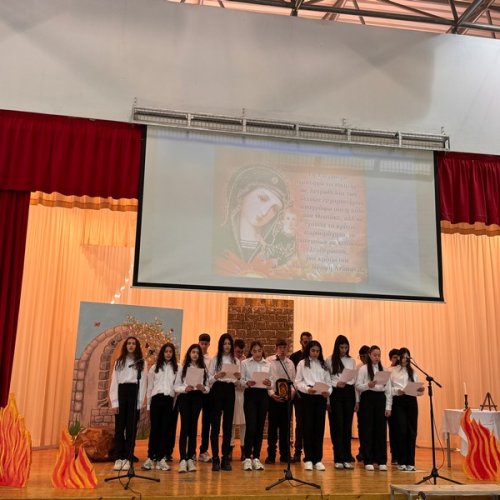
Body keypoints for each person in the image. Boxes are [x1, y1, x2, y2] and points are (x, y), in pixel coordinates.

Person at [215, 165, 297, 275]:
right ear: (242, 195)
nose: (264, 212)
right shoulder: (218, 238)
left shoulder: (274, 250)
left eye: (274, 209)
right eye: (262, 199)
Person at [109, 336, 147, 471]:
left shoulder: (141, 362)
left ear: (137, 346)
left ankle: (128, 457)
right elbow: (114, 382)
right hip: (121, 392)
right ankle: (119, 457)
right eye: (129, 343)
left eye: (133, 344)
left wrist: (139, 402)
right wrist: (114, 402)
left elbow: (143, 383)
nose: (131, 345)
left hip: (134, 393)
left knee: (131, 429)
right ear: (125, 346)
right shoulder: (119, 362)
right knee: (120, 428)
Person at [295, 340, 332, 471]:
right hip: (308, 397)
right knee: (308, 428)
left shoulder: (323, 364)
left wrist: (328, 392)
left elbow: (329, 382)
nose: (315, 353)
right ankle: (309, 459)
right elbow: (297, 382)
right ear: (308, 351)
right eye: (313, 350)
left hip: (320, 398)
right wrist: (306, 389)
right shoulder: (302, 363)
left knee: (319, 428)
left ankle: (318, 459)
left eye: (317, 351)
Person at [355, 345, 392, 471]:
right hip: (368, 399)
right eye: (375, 355)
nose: (377, 357)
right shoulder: (363, 369)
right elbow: (358, 386)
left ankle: (381, 460)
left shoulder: (384, 370)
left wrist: (388, 407)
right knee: (367, 429)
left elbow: (388, 390)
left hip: (380, 399)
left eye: (379, 355)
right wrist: (368, 385)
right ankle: (368, 459)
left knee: (381, 430)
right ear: (369, 355)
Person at [174, 344, 210, 473]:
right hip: (185, 397)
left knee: (193, 428)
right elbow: (176, 386)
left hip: (197, 398)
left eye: (197, 353)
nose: (195, 355)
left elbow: (208, 388)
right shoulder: (182, 368)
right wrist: (185, 388)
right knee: (185, 427)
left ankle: (190, 458)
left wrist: (203, 388)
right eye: (193, 352)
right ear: (189, 353)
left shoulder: (203, 369)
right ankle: (183, 459)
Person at [142, 342, 178, 471]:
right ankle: (150, 457)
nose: (168, 354)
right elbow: (150, 387)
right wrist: (148, 406)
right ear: (162, 353)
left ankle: (161, 458)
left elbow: (176, 387)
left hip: (169, 400)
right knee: (155, 429)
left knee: (165, 430)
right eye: (166, 351)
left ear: (173, 354)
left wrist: (174, 404)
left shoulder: (177, 368)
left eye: (170, 352)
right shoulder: (154, 368)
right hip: (156, 400)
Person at [208, 333, 241, 471]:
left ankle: (225, 458)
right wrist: (217, 376)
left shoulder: (236, 361)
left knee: (228, 426)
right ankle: (215, 458)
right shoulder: (215, 359)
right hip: (217, 389)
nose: (227, 346)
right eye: (224, 343)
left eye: (229, 344)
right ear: (221, 345)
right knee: (215, 425)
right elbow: (209, 380)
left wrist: (238, 378)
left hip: (230, 390)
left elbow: (238, 382)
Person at [326, 335, 357, 470]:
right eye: (341, 347)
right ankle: (338, 457)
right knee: (337, 425)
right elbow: (327, 378)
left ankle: (346, 457)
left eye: (346, 347)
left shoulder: (351, 360)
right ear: (337, 347)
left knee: (347, 426)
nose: (344, 350)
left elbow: (354, 380)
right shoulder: (329, 360)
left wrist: (356, 400)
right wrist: (336, 384)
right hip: (336, 392)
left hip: (349, 392)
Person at [241, 341, 272, 471]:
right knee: (251, 426)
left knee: (260, 427)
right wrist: (247, 383)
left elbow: (271, 383)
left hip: (263, 396)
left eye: (259, 351)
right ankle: (247, 457)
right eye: (255, 351)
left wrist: (269, 383)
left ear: (262, 351)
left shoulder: (268, 364)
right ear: (251, 351)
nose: (257, 353)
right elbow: (241, 381)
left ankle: (257, 457)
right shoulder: (245, 363)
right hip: (250, 395)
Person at [390, 347, 424, 471]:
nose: (405, 359)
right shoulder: (393, 371)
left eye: (407, 357)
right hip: (399, 401)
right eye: (403, 357)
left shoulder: (413, 372)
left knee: (412, 431)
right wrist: (397, 391)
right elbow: (388, 388)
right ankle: (402, 461)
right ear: (399, 357)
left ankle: (411, 462)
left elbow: (418, 391)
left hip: (411, 401)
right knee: (402, 431)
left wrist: (420, 390)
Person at [266, 339, 296, 464]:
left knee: (285, 429)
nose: (282, 350)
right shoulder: (269, 361)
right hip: (273, 398)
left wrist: (292, 393)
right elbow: (267, 380)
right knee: (272, 429)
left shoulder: (290, 363)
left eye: (284, 347)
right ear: (276, 348)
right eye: (280, 347)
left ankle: (285, 455)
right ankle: (271, 455)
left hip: (286, 399)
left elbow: (293, 381)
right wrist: (271, 394)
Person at [290, 331, 312, 462]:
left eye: (309, 341)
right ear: (300, 342)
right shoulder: (294, 356)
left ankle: (310, 452)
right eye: (305, 342)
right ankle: (298, 452)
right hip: (299, 395)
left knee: (310, 424)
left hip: (311, 395)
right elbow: (293, 377)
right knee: (300, 424)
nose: (307, 344)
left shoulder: (315, 357)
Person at [197, 333, 212, 463]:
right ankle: (190, 452)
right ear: (199, 343)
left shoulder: (211, 360)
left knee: (206, 423)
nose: (203, 346)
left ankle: (203, 451)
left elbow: (211, 377)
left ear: (209, 344)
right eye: (202, 343)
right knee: (192, 422)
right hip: (195, 393)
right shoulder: (193, 356)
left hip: (207, 393)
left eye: (206, 344)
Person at [231, 338, 246, 461]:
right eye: (237, 352)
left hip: (243, 393)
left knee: (243, 422)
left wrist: (242, 381)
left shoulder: (246, 362)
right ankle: (229, 449)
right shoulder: (230, 360)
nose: (239, 354)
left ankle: (244, 449)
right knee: (231, 422)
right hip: (232, 393)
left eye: (241, 352)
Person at [355, 344, 370, 463]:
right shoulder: (358, 368)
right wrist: (357, 401)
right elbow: (356, 387)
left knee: (372, 427)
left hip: (374, 399)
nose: (362, 359)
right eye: (360, 356)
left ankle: (372, 451)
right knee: (362, 427)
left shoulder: (377, 367)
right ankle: (362, 450)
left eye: (364, 356)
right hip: (362, 399)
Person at [387, 348, 401, 464]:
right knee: (393, 429)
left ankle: (401, 454)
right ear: (390, 359)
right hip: (392, 401)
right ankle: (394, 454)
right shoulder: (388, 370)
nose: (397, 359)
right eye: (394, 357)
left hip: (403, 401)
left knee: (401, 429)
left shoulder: (403, 370)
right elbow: (388, 389)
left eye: (398, 357)